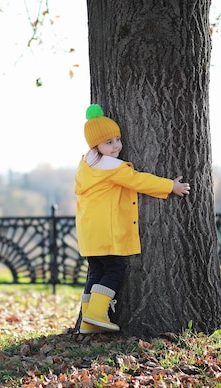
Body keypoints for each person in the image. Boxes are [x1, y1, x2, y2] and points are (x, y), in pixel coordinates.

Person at [75, 103, 190, 334]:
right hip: (106, 230)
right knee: (115, 269)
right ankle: (97, 314)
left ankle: (88, 320)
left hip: (89, 231)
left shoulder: (87, 166)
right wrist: (171, 186)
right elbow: (139, 180)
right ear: (95, 145)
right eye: (109, 142)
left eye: (117, 139)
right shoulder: (111, 167)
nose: (116, 145)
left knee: (97, 271)